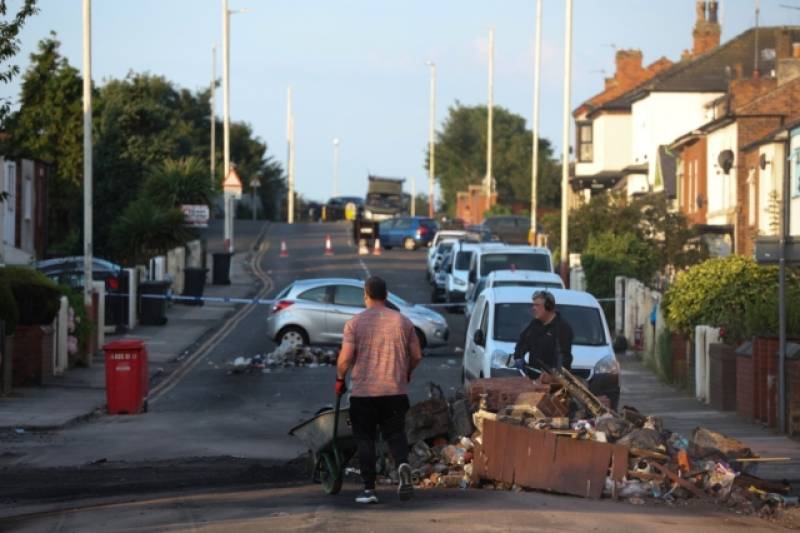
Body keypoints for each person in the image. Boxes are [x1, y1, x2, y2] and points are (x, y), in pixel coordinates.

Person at [335, 276, 423, 504]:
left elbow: (345, 359)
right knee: (396, 434)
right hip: (395, 391)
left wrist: (340, 378)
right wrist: (407, 371)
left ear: (366, 295)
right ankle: (402, 464)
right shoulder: (403, 322)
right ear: (386, 295)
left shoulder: (354, 323)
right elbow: (416, 355)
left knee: (365, 439)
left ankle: (369, 490)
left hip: (364, 394)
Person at [512, 290, 573, 374]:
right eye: (533, 305)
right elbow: (523, 342)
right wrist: (518, 357)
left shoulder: (562, 328)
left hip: (552, 379)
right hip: (533, 377)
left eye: (537, 305)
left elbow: (563, 357)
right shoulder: (534, 325)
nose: (533, 308)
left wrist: (555, 374)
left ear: (549, 307)